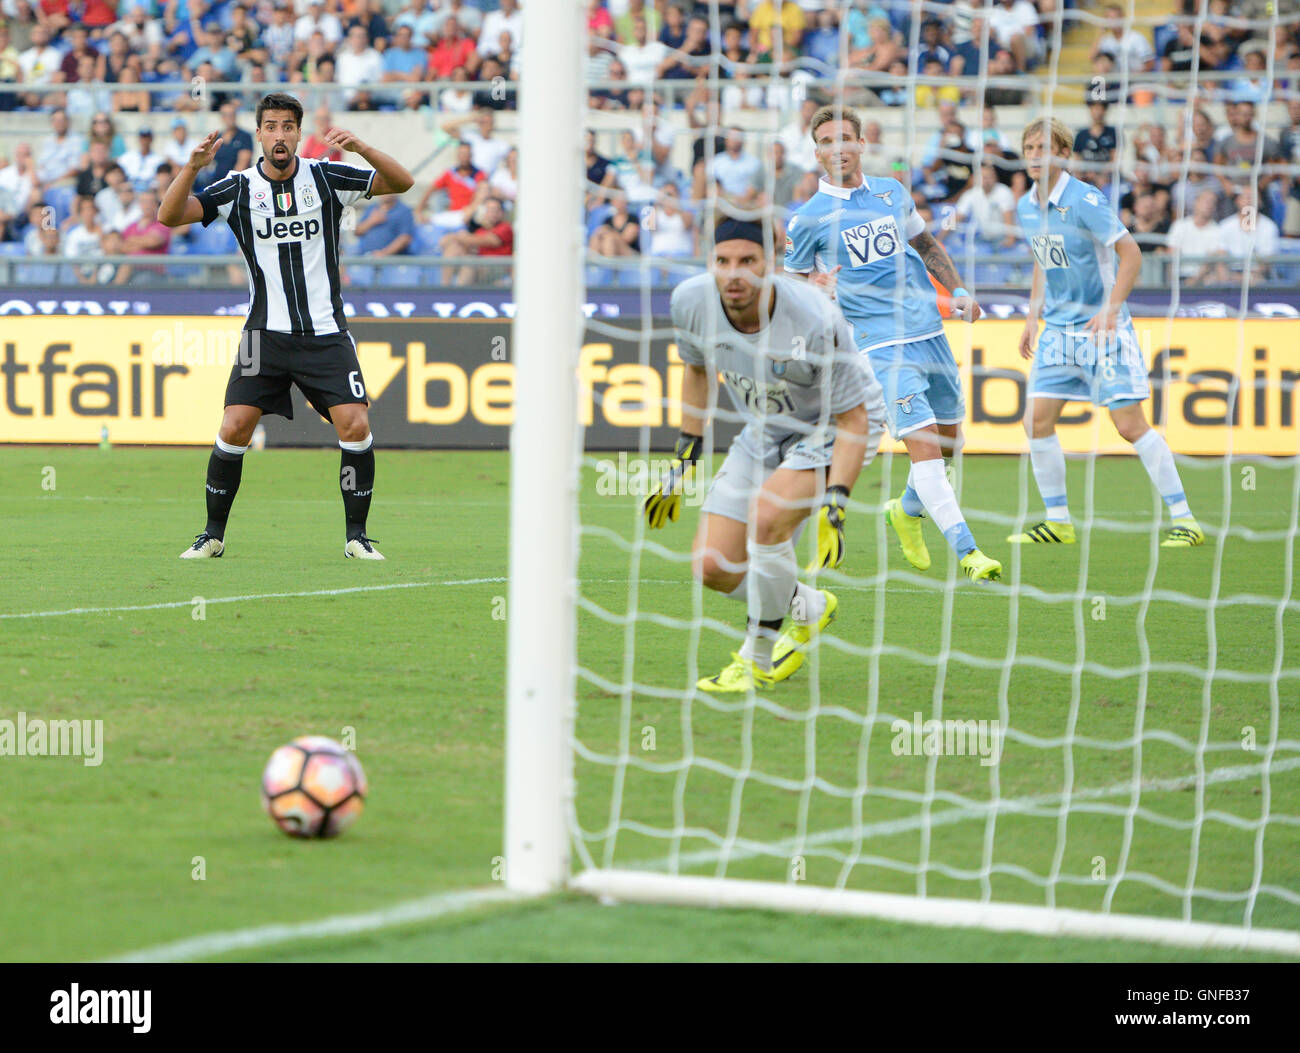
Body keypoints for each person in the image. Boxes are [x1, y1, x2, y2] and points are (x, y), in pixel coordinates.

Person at [158, 91, 414, 560]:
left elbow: (402, 181)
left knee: (355, 424)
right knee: (234, 426)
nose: (279, 135)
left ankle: (356, 537)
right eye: (271, 127)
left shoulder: (327, 176)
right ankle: (213, 534)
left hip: (325, 332)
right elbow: (169, 216)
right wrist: (192, 167)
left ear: (298, 133)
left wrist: (362, 148)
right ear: (259, 133)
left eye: (287, 127)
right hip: (264, 335)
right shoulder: (237, 188)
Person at [644, 216, 879, 692]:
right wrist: (685, 457)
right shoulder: (690, 302)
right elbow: (695, 370)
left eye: (748, 261)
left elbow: (855, 419)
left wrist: (836, 499)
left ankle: (755, 658)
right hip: (765, 430)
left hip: (833, 428)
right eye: (723, 261)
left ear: (770, 265)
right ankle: (807, 607)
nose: (735, 274)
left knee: (768, 517)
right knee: (712, 567)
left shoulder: (814, 316)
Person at [784, 104, 1002, 582]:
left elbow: (925, 246)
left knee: (950, 445)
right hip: (879, 345)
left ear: (861, 144)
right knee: (924, 451)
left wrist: (959, 291)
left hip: (930, 331)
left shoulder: (891, 192)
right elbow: (789, 290)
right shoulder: (808, 219)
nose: (836, 148)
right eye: (825, 141)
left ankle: (904, 511)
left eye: (845, 137)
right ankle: (970, 553)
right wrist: (813, 288)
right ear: (816, 152)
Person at [1012, 117, 1203, 548]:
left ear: (1063, 154)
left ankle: (1186, 519)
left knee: (1129, 425)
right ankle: (1058, 520)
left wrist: (1110, 310)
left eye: (1044, 147)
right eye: (1029, 148)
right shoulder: (1026, 206)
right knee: (1035, 421)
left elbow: (1131, 254)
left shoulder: (1085, 200)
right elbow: (1046, 262)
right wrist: (1031, 316)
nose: (1035, 155)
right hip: (1058, 330)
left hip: (1103, 328)